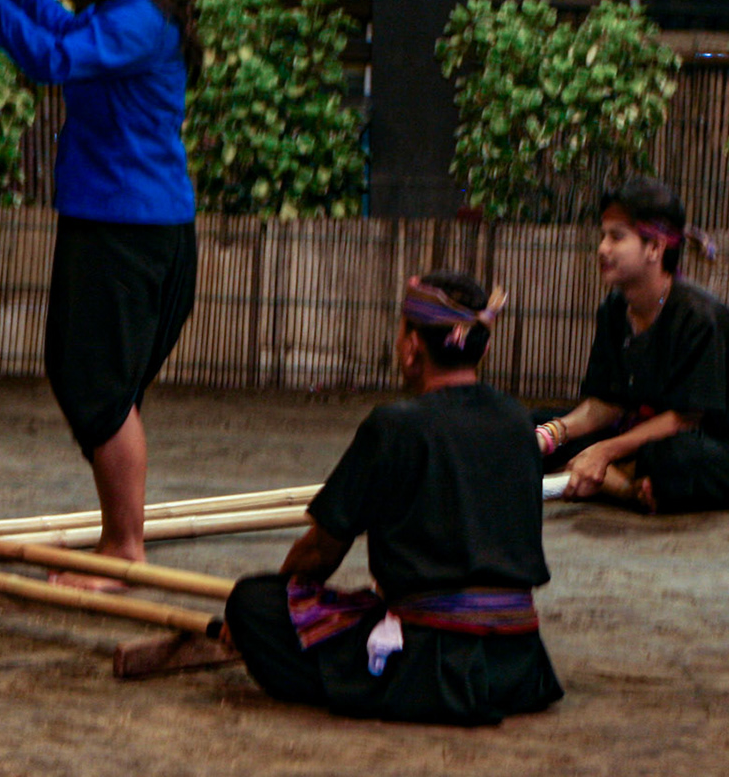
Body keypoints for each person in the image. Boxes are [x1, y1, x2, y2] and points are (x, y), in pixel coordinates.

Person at [0, 0, 198, 589]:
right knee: (90, 379)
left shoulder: (141, 22)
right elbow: (63, 32)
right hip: (116, 221)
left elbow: (47, 57)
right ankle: (117, 538)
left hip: (130, 229)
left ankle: (124, 547)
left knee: (101, 390)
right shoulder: (124, 11)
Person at [223, 272, 564, 727]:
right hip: (519, 664)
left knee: (251, 603)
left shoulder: (396, 426)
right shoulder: (518, 422)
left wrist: (285, 600)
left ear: (411, 346)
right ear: (481, 348)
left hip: (431, 661)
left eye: (402, 329)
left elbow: (321, 550)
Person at [536, 176, 729, 513]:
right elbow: (607, 404)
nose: (603, 248)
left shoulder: (700, 316)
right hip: (640, 429)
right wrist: (553, 433)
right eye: (603, 235)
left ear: (655, 247)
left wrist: (604, 451)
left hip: (711, 441)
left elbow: (684, 420)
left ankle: (615, 480)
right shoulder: (613, 309)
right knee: (529, 427)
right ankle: (627, 485)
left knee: (674, 459)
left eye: (617, 237)